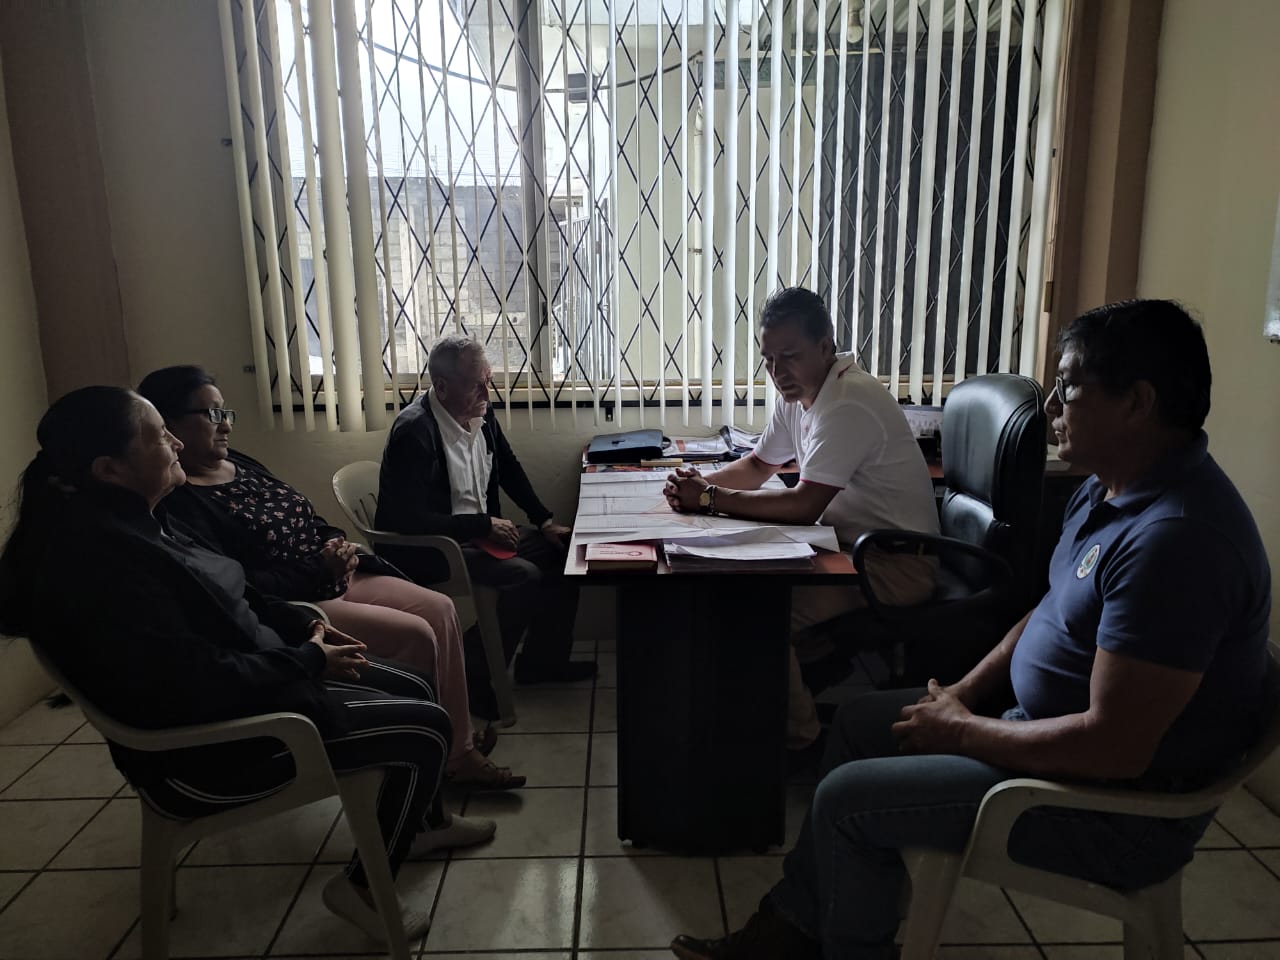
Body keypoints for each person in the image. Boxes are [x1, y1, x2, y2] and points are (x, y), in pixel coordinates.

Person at [670, 299, 1274, 960]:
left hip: (1108, 810)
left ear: (1138, 402)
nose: (1053, 407)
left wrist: (963, 731)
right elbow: (1044, 615)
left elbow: (1114, 750)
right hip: (1035, 731)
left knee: (846, 800)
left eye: (1070, 387)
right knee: (860, 724)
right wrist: (960, 694)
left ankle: (823, 934)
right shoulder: (1108, 490)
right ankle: (808, 923)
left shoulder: (1178, 543)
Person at [0, 387, 491, 942]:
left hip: (255, 683)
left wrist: (301, 624)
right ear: (110, 468)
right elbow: (197, 679)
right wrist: (307, 659)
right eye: (159, 435)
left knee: (417, 685)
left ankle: (424, 824)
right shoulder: (105, 566)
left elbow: (237, 592)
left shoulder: (142, 520)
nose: (176, 443)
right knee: (427, 728)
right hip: (214, 751)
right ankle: (359, 890)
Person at [136, 365, 524, 791]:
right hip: (300, 601)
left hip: (335, 576)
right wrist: (319, 569)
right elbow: (242, 587)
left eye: (225, 412)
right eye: (211, 414)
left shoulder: (239, 463)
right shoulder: (181, 502)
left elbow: (301, 513)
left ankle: (456, 743)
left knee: (440, 607)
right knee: (415, 633)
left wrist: (333, 540)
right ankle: (427, 757)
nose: (226, 424)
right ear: (169, 424)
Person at [663, 287, 939, 749]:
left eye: (789, 357)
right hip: (848, 549)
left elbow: (804, 504)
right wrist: (696, 483)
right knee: (743, 594)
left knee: (758, 612)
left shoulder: (847, 400)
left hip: (896, 565)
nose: (777, 372)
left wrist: (708, 499)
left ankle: (800, 739)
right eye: (768, 359)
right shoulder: (798, 396)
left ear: (825, 346)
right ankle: (792, 688)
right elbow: (758, 466)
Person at [376, 335, 594, 684]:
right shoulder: (414, 431)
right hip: (431, 547)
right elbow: (408, 520)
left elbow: (507, 466)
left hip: (478, 534)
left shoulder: (480, 413)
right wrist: (482, 526)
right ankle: (470, 676)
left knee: (562, 552)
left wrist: (544, 521)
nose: (487, 394)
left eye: (488, 381)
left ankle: (542, 664)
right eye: (476, 385)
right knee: (524, 577)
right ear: (442, 387)